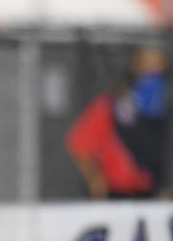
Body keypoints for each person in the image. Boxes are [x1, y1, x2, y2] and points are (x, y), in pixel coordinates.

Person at [65, 44, 170, 199]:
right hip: (117, 193)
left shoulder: (164, 108)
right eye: (146, 65)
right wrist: (96, 181)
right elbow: (78, 144)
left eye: (158, 66)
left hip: (152, 194)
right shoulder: (110, 104)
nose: (153, 73)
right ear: (135, 67)